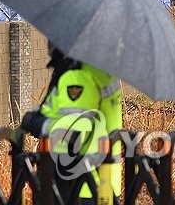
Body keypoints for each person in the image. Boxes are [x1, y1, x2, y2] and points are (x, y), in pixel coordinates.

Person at [21, 44, 122, 204]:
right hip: (102, 179)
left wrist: (36, 124)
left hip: (78, 183)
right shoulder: (101, 69)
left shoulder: (76, 75)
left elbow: (71, 132)